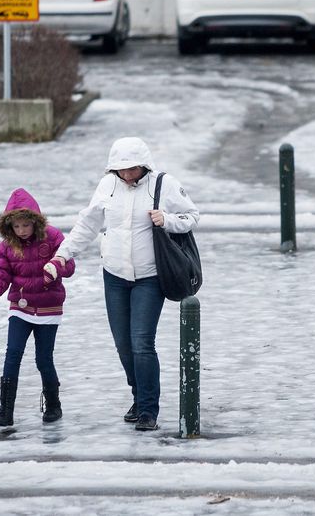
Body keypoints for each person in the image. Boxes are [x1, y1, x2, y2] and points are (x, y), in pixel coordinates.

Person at [52, 137, 200, 432]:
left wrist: (167, 219)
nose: (126, 175)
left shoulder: (164, 184)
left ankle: (148, 410)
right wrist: (61, 255)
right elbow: (88, 224)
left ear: (143, 165)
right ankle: (137, 394)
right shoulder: (107, 185)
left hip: (150, 277)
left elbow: (192, 216)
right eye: (120, 169)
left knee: (142, 343)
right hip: (114, 276)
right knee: (123, 345)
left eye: (131, 169)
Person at [0, 188, 75, 427]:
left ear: (35, 222)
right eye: (16, 227)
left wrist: (57, 267)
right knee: (12, 355)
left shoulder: (53, 237)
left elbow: (69, 266)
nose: (21, 231)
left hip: (48, 307)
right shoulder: (8, 246)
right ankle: (6, 410)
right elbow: (1, 274)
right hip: (20, 307)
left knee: (43, 359)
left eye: (25, 225)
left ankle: (53, 404)